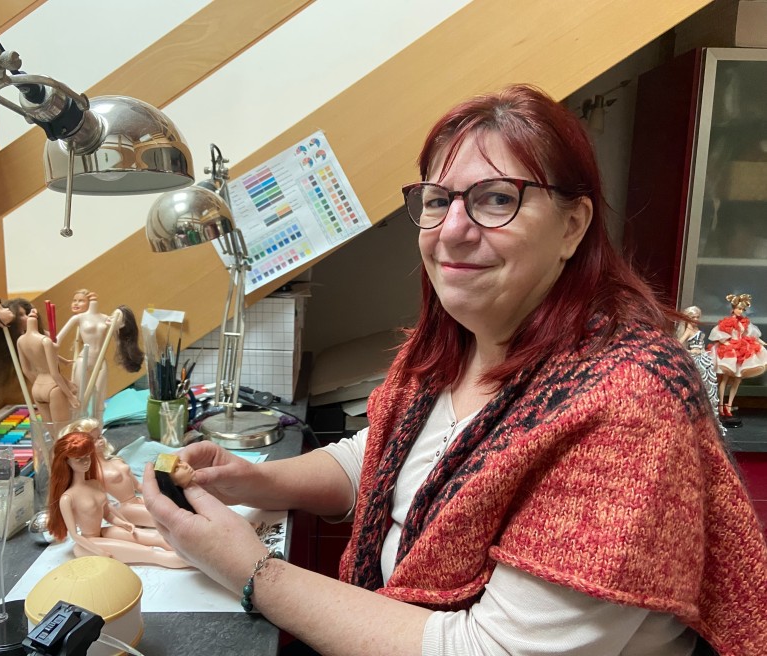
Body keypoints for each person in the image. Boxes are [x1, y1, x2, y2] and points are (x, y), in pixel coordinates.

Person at [142, 85, 767, 655]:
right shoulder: (456, 344)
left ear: (573, 226)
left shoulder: (629, 405)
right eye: (439, 200)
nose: (453, 230)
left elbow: (488, 650)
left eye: (497, 198)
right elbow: (383, 457)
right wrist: (252, 480)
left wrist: (252, 570)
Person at [46, 431, 189, 568]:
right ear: (66, 462)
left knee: (157, 538)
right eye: (79, 459)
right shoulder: (68, 498)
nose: (86, 462)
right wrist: (99, 552)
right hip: (88, 543)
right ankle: (193, 561)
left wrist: (123, 523)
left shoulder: (95, 483)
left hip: (103, 531)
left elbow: (107, 513)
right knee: (152, 553)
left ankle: (193, 550)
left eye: (87, 456)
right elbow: (75, 535)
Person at [55, 296, 143, 422]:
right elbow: (57, 340)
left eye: (117, 316)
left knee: (99, 402)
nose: (112, 318)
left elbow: (119, 341)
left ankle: (97, 429)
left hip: (100, 362)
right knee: (79, 400)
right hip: (83, 360)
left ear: (122, 323)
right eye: (113, 315)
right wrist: (53, 353)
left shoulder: (106, 319)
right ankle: (79, 427)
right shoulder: (79, 318)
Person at [61, 417, 156, 527]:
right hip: (122, 509)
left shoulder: (117, 460)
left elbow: (138, 486)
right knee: (164, 518)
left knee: (168, 506)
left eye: (100, 436)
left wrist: (157, 495)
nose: (100, 441)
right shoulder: (91, 473)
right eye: (93, 440)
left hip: (137, 500)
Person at [17, 308, 79, 437]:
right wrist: (70, 396)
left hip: (37, 388)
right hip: (53, 387)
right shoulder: (45, 340)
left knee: (53, 436)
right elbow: (55, 373)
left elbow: (26, 370)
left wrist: (38, 383)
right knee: (63, 434)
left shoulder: (20, 341)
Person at [709, 293, 767, 419]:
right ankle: (720, 404)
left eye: (743, 309)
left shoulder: (744, 322)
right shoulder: (728, 321)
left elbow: (752, 335)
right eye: (739, 308)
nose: (741, 311)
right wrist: (726, 342)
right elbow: (718, 334)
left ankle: (729, 405)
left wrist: (762, 343)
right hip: (731, 351)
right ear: (733, 308)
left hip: (741, 350)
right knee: (724, 379)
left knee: (738, 379)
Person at [676, 305, 722, 423]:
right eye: (693, 317)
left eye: (697, 317)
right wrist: (690, 351)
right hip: (695, 358)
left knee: (708, 383)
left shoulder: (696, 329)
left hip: (703, 357)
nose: (696, 319)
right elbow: (679, 343)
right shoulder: (689, 330)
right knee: (696, 382)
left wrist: (702, 351)